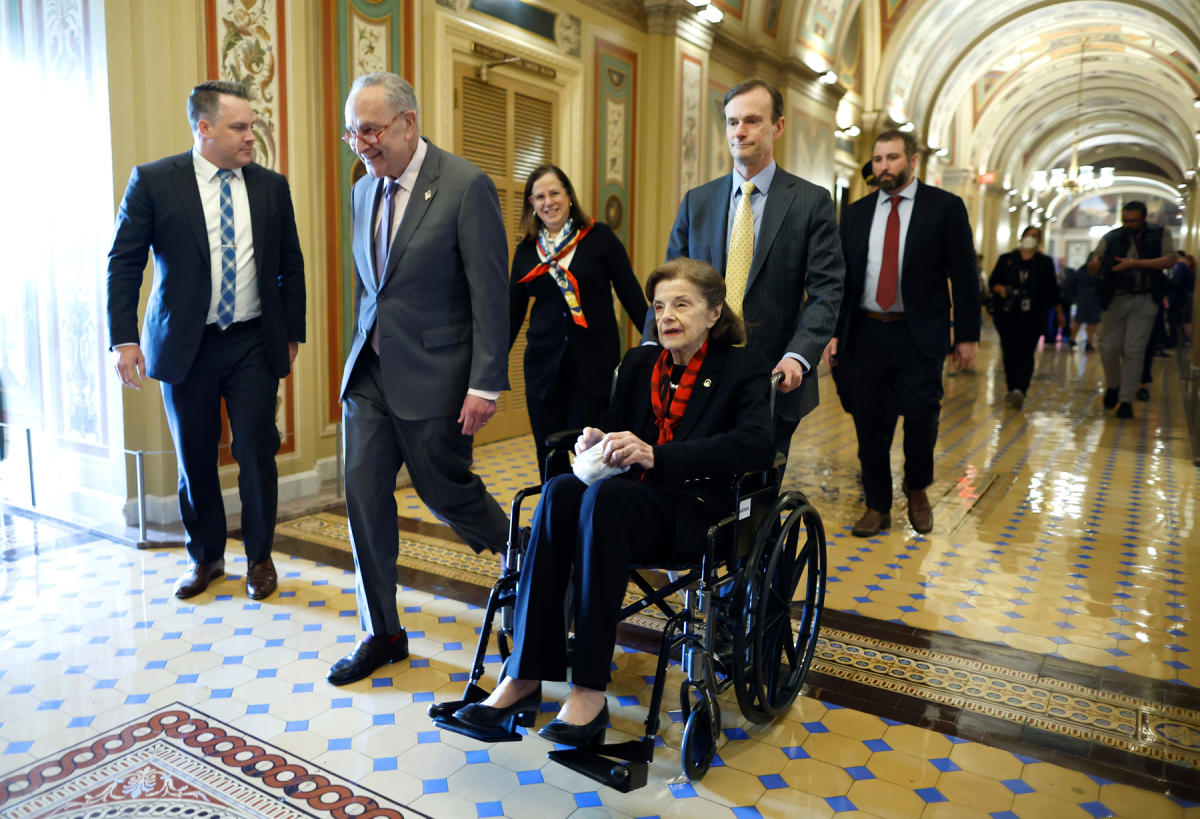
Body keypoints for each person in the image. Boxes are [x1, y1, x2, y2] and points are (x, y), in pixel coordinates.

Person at [451, 258, 774, 745]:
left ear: (713, 313)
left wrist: (657, 455)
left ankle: (588, 691)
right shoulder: (642, 363)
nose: (667, 316)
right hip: (630, 504)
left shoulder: (743, 368)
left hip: (698, 513)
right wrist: (598, 438)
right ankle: (524, 675)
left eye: (682, 304)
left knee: (605, 499)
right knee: (561, 489)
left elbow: (755, 445)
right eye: (660, 306)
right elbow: (616, 423)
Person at [329, 72, 511, 686]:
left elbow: (491, 296)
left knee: (447, 493)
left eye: (372, 129)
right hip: (371, 377)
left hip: (437, 377)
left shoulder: (464, 187)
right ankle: (381, 630)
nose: (362, 143)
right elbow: (368, 288)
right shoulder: (361, 189)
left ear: (409, 122)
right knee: (362, 501)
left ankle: (529, 564)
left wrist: (485, 383)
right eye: (352, 131)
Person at [106, 81, 306, 601]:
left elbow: (291, 265)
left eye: (252, 126)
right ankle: (207, 558)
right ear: (204, 127)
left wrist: (293, 334)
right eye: (239, 127)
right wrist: (123, 339)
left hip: (251, 341)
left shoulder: (271, 186)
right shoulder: (153, 182)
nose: (250, 137)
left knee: (256, 450)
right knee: (195, 456)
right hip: (183, 343)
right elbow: (124, 263)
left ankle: (259, 559)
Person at [650, 79, 844, 456]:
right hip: (696, 370)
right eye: (731, 121)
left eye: (752, 120)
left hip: (772, 375)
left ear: (778, 126)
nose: (739, 131)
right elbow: (669, 285)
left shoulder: (811, 202)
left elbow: (827, 290)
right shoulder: (698, 201)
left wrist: (798, 356)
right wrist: (649, 344)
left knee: (756, 495)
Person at [823, 130, 980, 537]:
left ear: (913, 161)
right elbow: (842, 279)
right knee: (868, 423)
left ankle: (917, 488)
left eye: (892, 158)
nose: (883, 167)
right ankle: (877, 504)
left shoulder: (944, 208)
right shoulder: (856, 213)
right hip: (866, 333)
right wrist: (833, 331)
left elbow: (964, 276)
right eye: (877, 159)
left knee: (922, 417)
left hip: (918, 334)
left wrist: (966, 335)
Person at [509, 164, 647, 478]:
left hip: (594, 369)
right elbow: (511, 315)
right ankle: (555, 522)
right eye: (539, 196)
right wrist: (486, 373)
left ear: (569, 195)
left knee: (592, 457)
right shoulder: (527, 251)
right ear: (531, 204)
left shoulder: (600, 238)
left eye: (554, 192)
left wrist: (658, 344)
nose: (548, 201)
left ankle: (588, 523)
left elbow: (632, 296)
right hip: (543, 372)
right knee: (549, 455)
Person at [1086, 201, 1176, 419]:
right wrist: (1095, 264)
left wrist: (1135, 264)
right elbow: (1092, 265)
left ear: (1143, 218)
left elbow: (1170, 259)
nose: (1129, 225)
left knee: (1134, 349)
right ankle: (1114, 386)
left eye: (1133, 220)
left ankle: (1126, 400)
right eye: (1126, 220)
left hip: (1145, 298)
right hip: (1115, 297)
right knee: (1108, 348)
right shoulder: (1112, 237)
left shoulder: (1160, 233)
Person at [988, 226, 1064, 408]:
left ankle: (1020, 389)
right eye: (1028, 235)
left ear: (1039, 240)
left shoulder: (1044, 262)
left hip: (1033, 314)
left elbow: (1052, 290)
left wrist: (1060, 313)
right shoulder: (1007, 259)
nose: (1030, 238)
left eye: (1035, 236)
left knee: (1026, 351)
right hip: (1007, 313)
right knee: (1009, 351)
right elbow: (993, 282)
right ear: (1022, 237)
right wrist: (1002, 290)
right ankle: (1011, 386)